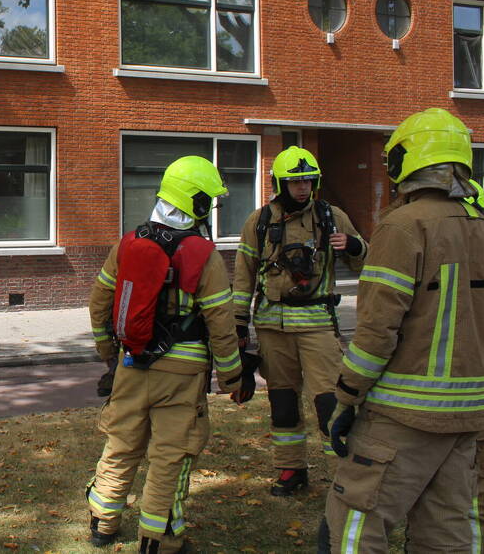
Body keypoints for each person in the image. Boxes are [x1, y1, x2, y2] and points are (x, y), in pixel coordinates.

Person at [321, 108, 484, 553]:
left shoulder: (402, 227)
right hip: (470, 415)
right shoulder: (480, 224)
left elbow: (376, 332)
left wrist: (347, 397)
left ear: (403, 163)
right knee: (449, 530)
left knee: (356, 523)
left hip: (403, 415)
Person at [86, 156, 244, 553]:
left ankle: (103, 521)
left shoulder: (127, 243)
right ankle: (160, 540)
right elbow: (222, 327)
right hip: (182, 373)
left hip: (131, 362)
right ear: (197, 203)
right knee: (170, 456)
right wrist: (232, 378)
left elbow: (98, 304)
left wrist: (110, 354)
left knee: (121, 443)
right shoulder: (204, 256)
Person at [232, 146, 367, 496]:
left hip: (317, 326)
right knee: (283, 403)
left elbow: (366, 264)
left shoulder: (331, 216)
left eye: (308, 180)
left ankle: (344, 476)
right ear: (280, 183)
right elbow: (244, 277)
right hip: (271, 329)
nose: (303, 188)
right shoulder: (259, 221)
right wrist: (238, 325)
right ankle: (290, 470)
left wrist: (353, 246)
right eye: (295, 182)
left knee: (330, 402)